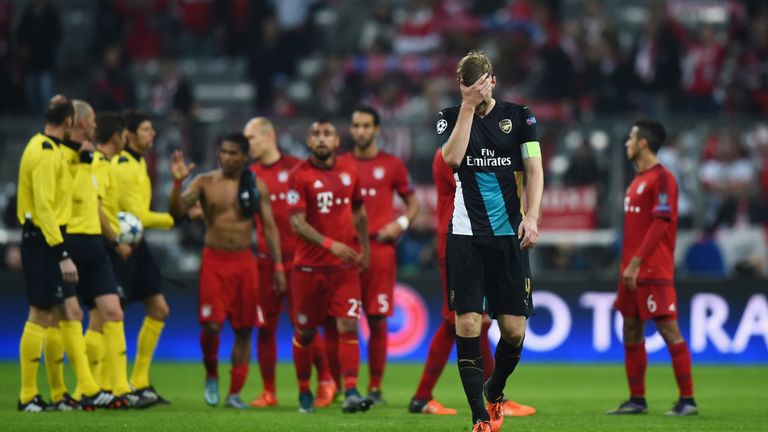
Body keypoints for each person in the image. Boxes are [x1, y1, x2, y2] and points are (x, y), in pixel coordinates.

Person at [439, 51, 544, 432]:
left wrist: (532, 216)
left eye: (482, 84)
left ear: (493, 81)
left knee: (515, 331)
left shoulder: (520, 116)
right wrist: (467, 107)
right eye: (469, 86)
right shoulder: (449, 117)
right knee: (467, 324)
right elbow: (452, 158)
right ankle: (479, 417)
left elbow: (534, 169)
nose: (477, 91)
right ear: (462, 86)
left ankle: (495, 390)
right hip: (465, 235)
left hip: (508, 237)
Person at [408, 148, 536, 418]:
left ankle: (489, 395)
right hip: (460, 244)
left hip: (478, 244)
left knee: (476, 323)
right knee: (457, 321)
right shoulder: (450, 154)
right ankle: (426, 397)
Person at [168, 133, 285, 409]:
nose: (227, 157)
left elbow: (269, 228)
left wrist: (278, 265)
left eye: (234, 153)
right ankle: (212, 375)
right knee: (211, 326)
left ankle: (234, 393)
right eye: (224, 151)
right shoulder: (204, 182)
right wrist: (177, 183)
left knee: (244, 330)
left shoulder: (255, 185)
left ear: (244, 157)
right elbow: (176, 213)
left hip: (245, 262)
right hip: (214, 262)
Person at [16, 95, 115, 412]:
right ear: (71, 122)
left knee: (62, 314)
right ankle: (28, 395)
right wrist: (61, 253)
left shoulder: (47, 147)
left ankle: (60, 394)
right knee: (41, 314)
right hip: (44, 239)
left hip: (46, 237)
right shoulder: (45, 153)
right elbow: (45, 208)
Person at [244, 117, 337, 409]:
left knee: (305, 326)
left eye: (251, 138)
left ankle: (325, 382)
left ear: (268, 135)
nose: (248, 145)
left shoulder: (298, 168)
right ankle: (269, 391)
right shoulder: (249, 175)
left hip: (300, 263)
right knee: (265, 326)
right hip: (265, 263)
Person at [607, 120, 697, 416]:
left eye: (631, 138)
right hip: (630, 272)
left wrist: (636, 262)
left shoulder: (662, 179)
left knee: (668, 329)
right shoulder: (637, 180)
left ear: (643, 143)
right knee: (630, 330)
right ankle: (637, 399)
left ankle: (687, 400)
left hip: (652, 270)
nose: (627, 143)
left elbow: (662, 222)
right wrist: (627, 266)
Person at [335, 106, 419, 404]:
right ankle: (343, 385)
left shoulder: (392, 165)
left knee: (378, 319)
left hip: (381, 250)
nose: (360, 131)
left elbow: (413, 203)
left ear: (376, 130)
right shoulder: (339, 163)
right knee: (342, 320)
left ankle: (375, 388)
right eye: (356, 125)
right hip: (346, 250)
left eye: (366, 126)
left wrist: (401, 223)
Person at [287, 120, 371, 414]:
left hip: (344, 268)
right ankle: (303, 390)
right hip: (309, 269)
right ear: (309, 142)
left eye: (327, 134)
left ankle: (350, 389)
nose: (321, 139)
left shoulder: (350, 171)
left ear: (337, 142)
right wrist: (329, 243)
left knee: (348, 325)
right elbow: (296, 223)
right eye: (315, 134)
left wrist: (364, 247)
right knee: (306, 332)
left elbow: (359, 209)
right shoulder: (299, 176)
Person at [90, 111, 156, 408]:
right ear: (121, 135)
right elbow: (98, 206)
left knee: (102, 315)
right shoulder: (108, 166)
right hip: (105, 244)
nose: (152, 133)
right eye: (146, 129)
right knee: (96, 317)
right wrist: (115, 240)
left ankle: (110, 387)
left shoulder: (107, 164)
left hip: (112, 242)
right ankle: (93, 386)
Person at [111, 110, 173, 404]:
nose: (153, 134)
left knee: (159, 309)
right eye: (146, 129)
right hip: (120, 245)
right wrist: (173, 218)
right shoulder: (123, 166)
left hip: (138, 244)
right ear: (130, 134)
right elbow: (137, 215)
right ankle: (110, 385)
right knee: (110, 315)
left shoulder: (139, 163)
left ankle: (139, 381)